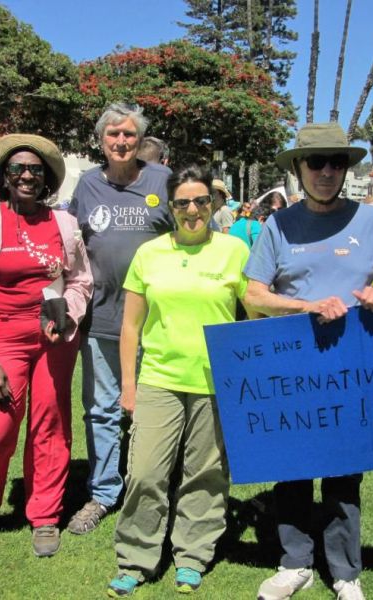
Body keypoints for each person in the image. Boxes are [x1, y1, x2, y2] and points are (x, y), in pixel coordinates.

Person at [244, 122, 373, 600]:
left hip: (353, 363)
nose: (327, 171)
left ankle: (345, 570)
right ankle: (294, 562)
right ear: (298, 169)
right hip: (295, 364)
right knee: (292, 467)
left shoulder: (371, 222)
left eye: (337, 162)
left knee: (344, 471)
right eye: (316, 162)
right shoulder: (278, 224)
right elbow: (254, 293)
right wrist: (307, 306)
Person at [107, 166, 252, 597]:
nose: (193, 210)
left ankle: (192, 554)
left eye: (201, 201)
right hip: (159, 378)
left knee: (205, 474)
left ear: (213, 203)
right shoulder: (150, 253)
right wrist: (129, 386)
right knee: (146, 472)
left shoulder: (234, 250)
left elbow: (256, 311)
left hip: (214, 382)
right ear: (170, 207)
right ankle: (136, 555)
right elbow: (131, 327)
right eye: (183, 203)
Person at [0, 134, 92, 557]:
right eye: (18, 169)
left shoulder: (65, 225)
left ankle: (45, 514)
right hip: (4, 341)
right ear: (4, 177)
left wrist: (68, 311)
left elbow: (81, 279)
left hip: (54, 338)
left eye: (35, 169)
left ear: (47, 178)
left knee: (49, 427)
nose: (27, 176)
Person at [66, 102, 172, 535]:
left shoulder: (163, 181)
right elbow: (72, 246)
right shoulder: (86, 184)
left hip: (159, 323)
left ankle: (155, 487)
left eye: (129, 134)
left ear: (139, 139)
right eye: (113, 135)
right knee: (102, 410)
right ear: (101, 140)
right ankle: (104, 492)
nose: (121, 141)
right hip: (103, 320)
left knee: (156, 410)